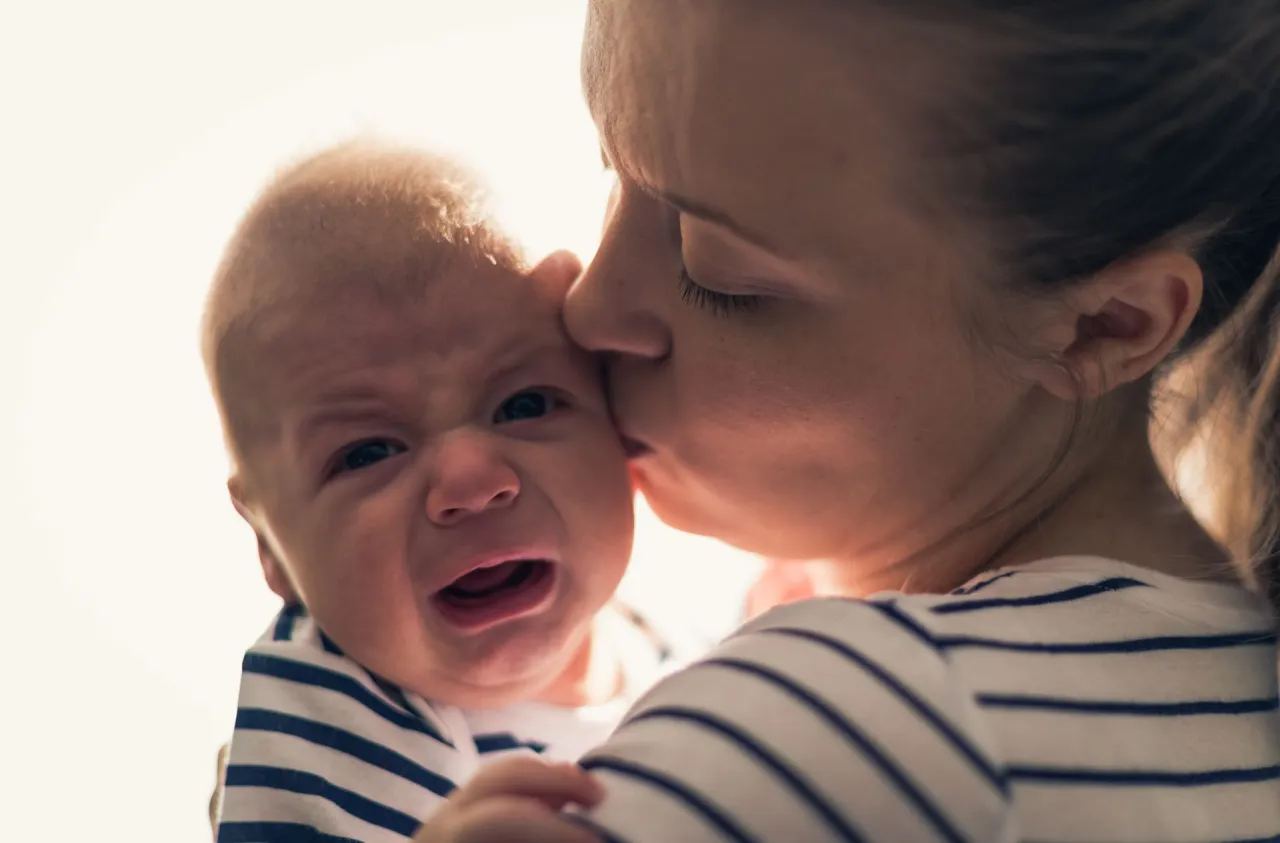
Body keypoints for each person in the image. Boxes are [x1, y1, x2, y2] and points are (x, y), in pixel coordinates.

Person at [414, 1, 1280, 840]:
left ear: (1105, 325)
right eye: (611, 172)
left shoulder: (840, 725)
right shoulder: (1237, 689)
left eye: (718, 274)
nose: (587, 306)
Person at [202, 142, 677, 843]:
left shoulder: (660, 642)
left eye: (524, 404)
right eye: (367, 452)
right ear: (270, 545)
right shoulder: (331, 714)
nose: (472, 483)